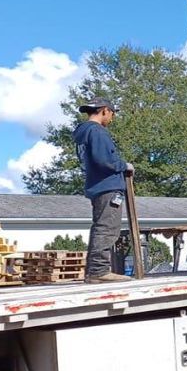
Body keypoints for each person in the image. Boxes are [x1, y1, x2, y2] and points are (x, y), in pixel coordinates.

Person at [73, 97, 135, 283]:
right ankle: (99, 271)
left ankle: (93, 271)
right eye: (112, 114)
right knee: (107, 228)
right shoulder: (97, 132)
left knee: (100, 227)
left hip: (97, 185)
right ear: (105, 111)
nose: (111, 119)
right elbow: (104, 160)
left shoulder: (83, 133)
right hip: (108, 186)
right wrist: (124, 165)